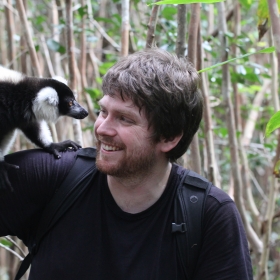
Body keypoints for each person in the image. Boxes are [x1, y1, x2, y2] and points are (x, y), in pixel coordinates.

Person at [0, 48, 253, 280]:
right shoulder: (49, 177)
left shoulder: (209, 217)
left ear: (169, 137)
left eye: (124, 119)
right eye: (103, 112)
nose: (102, 128)